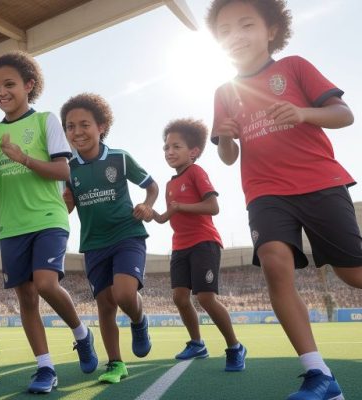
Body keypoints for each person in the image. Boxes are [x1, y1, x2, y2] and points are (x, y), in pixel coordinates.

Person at [207, 1, 361, 398]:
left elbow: (344, 114)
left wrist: (303, 113)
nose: (236, 35)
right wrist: (225, 138)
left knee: (354, 275)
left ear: (272, 30)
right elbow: (228, 156)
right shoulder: (224, 91)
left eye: (246, 25)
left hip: (319, 181)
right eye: (225, 30)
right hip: (265, 191)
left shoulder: (294, 67)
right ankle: (319, 375)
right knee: (275, 263)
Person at [0, 51, 98, 394]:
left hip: (48, 217)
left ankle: (81, 334)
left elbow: (63, 171)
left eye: (9, 84)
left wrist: (24, 158)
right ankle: (45, 367)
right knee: (27, 297)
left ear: (29, 85)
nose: (1, 92)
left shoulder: (46, 121)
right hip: (11, 225)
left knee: (46, 284)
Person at [61, 93, 157, 385]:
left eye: (85, 124)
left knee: (124, 295)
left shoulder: (120, 158)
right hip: (93, 244)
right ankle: (116, 363)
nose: (77, 132)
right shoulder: (67, 168)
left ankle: (139, 321)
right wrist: (62, 203)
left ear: (101, 126)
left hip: (128, 235)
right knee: (105, 305)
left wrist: (147, 205)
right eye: (70, 126)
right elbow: (66, 206)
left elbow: (152, 186)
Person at [151, 118, 246, 371]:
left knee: (205, 297)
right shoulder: (170, 184)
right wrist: (150, 213)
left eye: (176, 146)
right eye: (166, 147)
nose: (169, 151)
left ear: (193, 152)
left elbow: (213, 207)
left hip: (204, 242)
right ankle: (197, 344)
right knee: (179, 298)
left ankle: (235, 347)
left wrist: (181, 206)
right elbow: (165, 217)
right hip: (179, 246)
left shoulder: (196, 172)